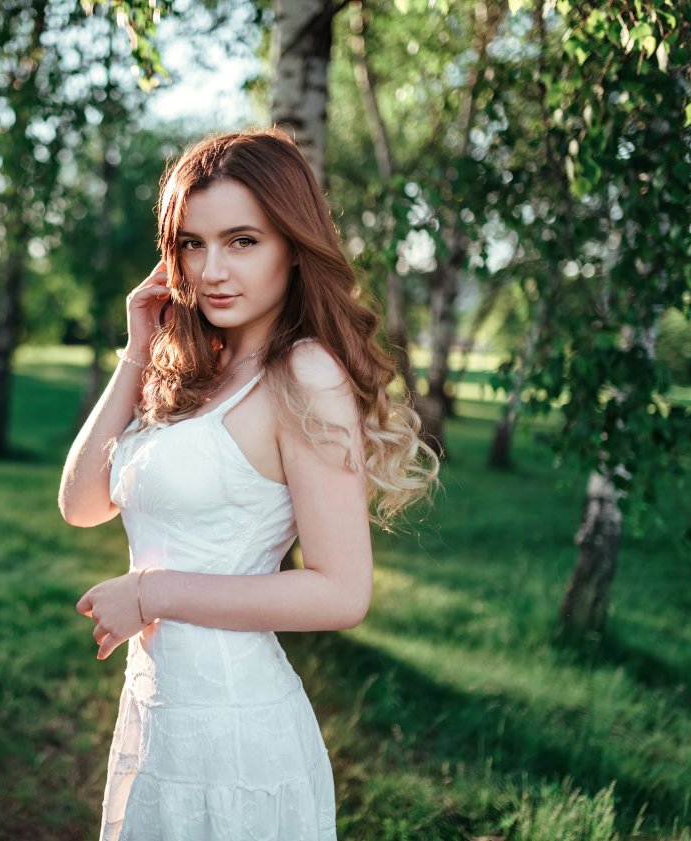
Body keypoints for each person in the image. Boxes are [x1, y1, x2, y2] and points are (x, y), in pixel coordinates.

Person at [58, 127, 439, 840]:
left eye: (242, 240)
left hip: (238, 733)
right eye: (192, 244)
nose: (212, 270)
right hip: (160, 714)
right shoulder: (199, 373)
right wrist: (138, 352)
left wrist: (151, 592)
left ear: (293, 245)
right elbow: (80, 502)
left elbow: (341, 590)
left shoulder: (305, 374)